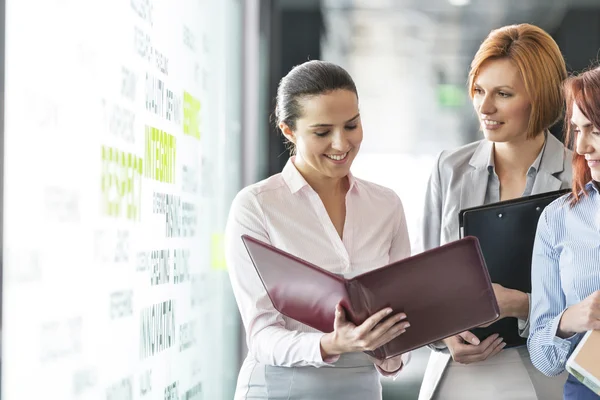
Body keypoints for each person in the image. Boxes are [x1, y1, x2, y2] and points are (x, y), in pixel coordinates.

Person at [225, 60, 412, 399]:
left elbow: (401, 321)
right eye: (322, 132)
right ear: (288, 131)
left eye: (351, 126)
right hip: (281, 386)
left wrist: (394, 350)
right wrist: (330, 343)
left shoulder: (386, 206)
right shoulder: (256, 206)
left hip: (362, 388)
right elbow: (262, 334)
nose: (341, 144)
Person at [418, 23, 571, 400]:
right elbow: (423, 282)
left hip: (546, 375)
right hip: (458, 374)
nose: (485, 108)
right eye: (479, 91)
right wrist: (443, 335)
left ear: (540, 98)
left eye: (503, 94)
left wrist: (520, 304)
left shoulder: (581, 175)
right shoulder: (448, 169)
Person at [528, 66, 600, 399]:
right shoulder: (558, 218)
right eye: (576, 129)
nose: (582, 146)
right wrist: (570, 319)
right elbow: (541, 353)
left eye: (595, 129)